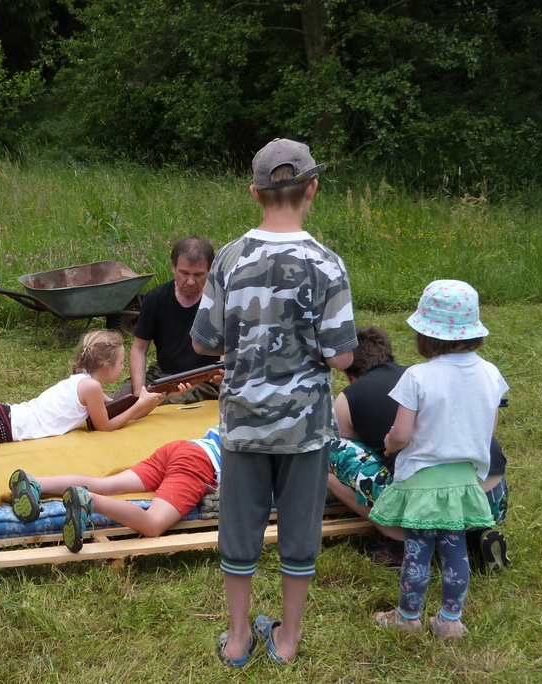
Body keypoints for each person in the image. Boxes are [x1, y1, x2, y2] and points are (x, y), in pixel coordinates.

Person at [190, 138, 357, 667]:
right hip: (304, 429)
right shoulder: (327, 264)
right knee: (299, 531)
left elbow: (203, 343)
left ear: (254, 193)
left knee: (239, 530)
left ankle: (238, 638)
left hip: (242, 424)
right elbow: (341, 356)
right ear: (312, 189)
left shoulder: (228, 258)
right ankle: (287, 641)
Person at [371, 280, 507, 643]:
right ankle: (449, 621)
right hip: (463, 479)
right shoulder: (490, 373)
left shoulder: (417, 376)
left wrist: (389, 444)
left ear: (426, 334)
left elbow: (401, 434)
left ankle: (408, 618)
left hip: (423, 479)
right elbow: (489, 429)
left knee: (418, 550)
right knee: (455, 548)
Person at [328, 326, 511, 570]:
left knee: (330, 451)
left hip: (426, 502)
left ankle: (399, 538)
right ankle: (473, 535)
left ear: (347, 373)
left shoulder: (363, 393)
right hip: (489, 499)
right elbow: (488, 432)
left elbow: (387, 438)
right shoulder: (440, 376)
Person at [0, 329, 184, 453]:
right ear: (105, 366)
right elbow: (106, 426)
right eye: (122, 362)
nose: (124, 367)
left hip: (0, 417)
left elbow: (116, 408)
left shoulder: (83, 381)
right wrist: (141, 405)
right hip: (1, 427)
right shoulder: (90, 387)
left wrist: (160, 398)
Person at [7, 427, 221, 552]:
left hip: (183, 447)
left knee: (107, 485)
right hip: (199, 463)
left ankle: (34, 483)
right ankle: (89, 501)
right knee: (153, 523)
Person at [113, 236, 221, 403]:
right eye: (184, 273)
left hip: (205, 379)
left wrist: (223, 373)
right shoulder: (156, 297)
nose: (190, 281)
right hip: (163, 374)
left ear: (210, 270)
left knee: (164, 403)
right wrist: (139, 392)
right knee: (120, 401)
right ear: (173, 266)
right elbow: (139, 349)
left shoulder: (220, 301)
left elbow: (229, 350)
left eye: (198, 275)